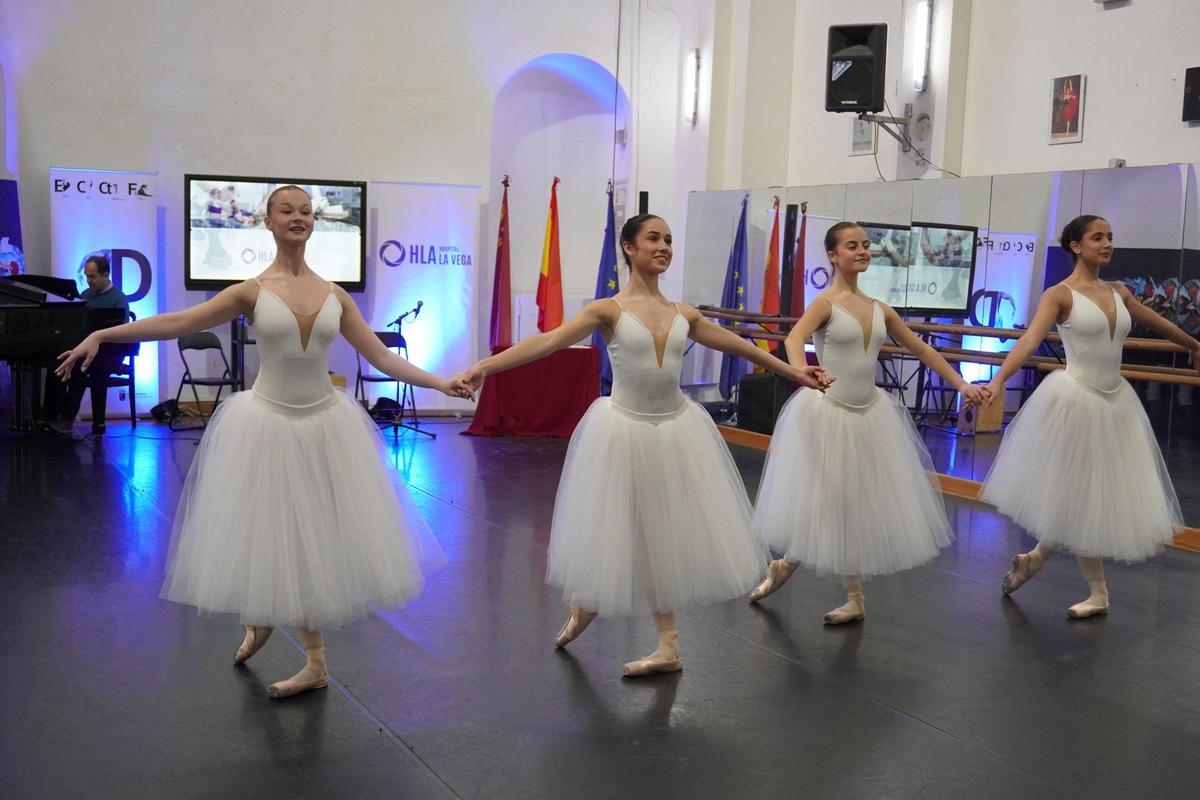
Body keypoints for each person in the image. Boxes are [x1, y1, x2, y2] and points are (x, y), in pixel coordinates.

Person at [57, 185, 468, 697]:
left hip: (324, 425)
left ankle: (315, 662)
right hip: (266, 423)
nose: (297, 218)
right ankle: (262, 618)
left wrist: (440, 383)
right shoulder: (250, 290)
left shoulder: (335, 294)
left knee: (312, 537)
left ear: (313, 223)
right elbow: (179, 322)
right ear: (268, 222)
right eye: (286, 211)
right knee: (270, 533)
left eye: (304, 211)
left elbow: (382, 359)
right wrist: (102, 335)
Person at [462, 214, 832, 676]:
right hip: (622, 428)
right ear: (629, 248)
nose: (663, 247)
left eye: (669, 240)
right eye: (653, 239)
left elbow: (742, 347)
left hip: (675, 428)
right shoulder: (607, 311)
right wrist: (485, 366)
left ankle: (666, 643)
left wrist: (795, 371)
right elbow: (549, 342)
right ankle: (589, 602)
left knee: (659, 532)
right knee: (619, 526)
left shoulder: (685, 314)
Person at [749, 222, 988, 622]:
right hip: (829, 413)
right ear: (832, 255)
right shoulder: (824, 304)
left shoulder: (880, 309)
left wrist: (961, 383)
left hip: (870, 413)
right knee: (836, 497)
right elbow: (793, 340)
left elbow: (921, 349)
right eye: (851, 245)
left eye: (865, 245)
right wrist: (802, 372)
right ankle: (817, 577)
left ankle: (819, 579)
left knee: (851, 500)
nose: (862, 251)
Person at [982, 215, 1200, 617]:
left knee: (1088, 493)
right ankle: (1095, 591)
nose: (1107, 244)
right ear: (1076, 246)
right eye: (1097, 237)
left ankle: (1037, 559)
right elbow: (1030, 339)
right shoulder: (1059, 295)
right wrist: (998, 380)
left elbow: (1160, 324)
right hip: (1076, 399)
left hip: (1116, 403)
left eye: (1110, 237)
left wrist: (1192, 344)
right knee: (1084, 492)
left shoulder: (1119, 292)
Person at [42, 254, 130, 434]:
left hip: (108, 352)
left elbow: (122, 334)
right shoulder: (84, 296)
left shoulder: (119, 299)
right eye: (87, 276)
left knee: (80, 369)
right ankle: (51, 416)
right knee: (58, 364)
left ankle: (67, 419)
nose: (89, 281)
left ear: (105, 274)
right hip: (85, 349)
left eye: (93, 277)